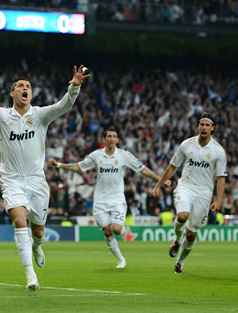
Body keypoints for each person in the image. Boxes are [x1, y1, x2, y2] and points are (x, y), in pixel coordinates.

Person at [0, 58, 89, 291]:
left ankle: (37, 245)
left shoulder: (40, 115)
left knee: (38, 230)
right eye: (20, 86)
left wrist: (75, 86)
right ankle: (30, 276)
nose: (25, 89)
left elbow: (64, 105)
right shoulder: (2, 116)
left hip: (37, 181)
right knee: (19, 220)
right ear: (12, 93)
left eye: (28, 86)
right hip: (12, 179)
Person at [49, 128, 170, 268]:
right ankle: (120, 259)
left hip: (117, 199)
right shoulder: (96, 155)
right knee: (107, 231)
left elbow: (142, 169)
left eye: (114, 136)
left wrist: (160, 180)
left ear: (117, 140)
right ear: (104, 139)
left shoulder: (124, 155)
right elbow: (79, 167)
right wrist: (59, 165)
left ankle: (124, 233)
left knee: (117, 229)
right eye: (109, 136)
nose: (112, 139)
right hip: (100, 201)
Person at [151, 113, 227, 274]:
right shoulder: (187, 145)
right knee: (182, 216)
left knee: (191, 234)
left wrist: (219, 200)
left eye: (207, 125)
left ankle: (180, 262)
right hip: (185, 187)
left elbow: (221, 178)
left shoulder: (218, 151)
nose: (204, 127)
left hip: (204, 193)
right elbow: (173, 166)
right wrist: (158, 184)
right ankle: (177, 240)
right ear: (198, 127)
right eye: (202, 124)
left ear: (213, 128)